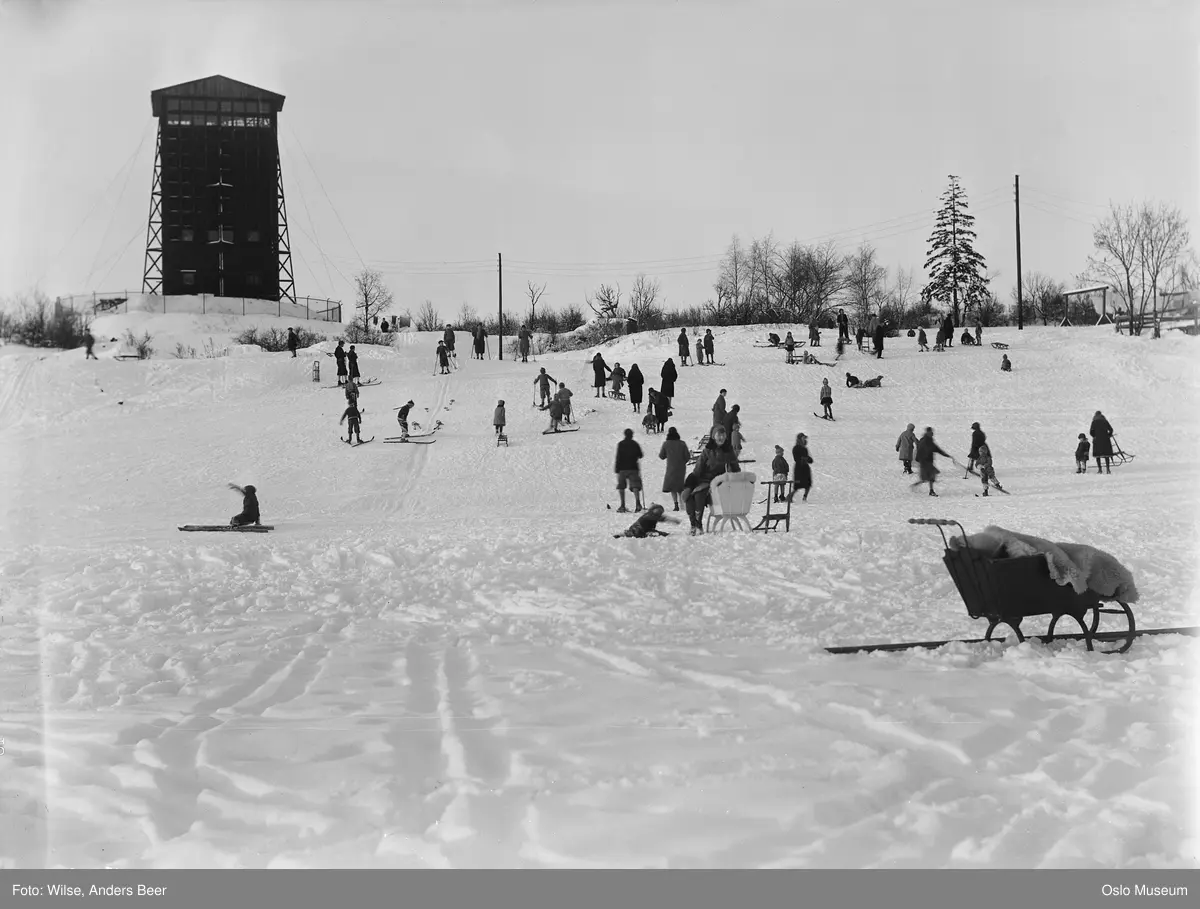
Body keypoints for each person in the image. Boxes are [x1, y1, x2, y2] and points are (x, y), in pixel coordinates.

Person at [682, 425, 740, 534]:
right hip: (703, 481)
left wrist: (734, 480)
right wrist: (690, 484)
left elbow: (736, 469)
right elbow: (698, 470)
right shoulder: (707, 451)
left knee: (699, 495)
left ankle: (698, 524)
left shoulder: (728, 451)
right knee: (690, 497)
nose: (721, 437)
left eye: (723, 435)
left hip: (718, 482)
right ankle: (694, 525)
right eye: (719, 435)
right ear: (713, 436)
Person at [658, 426, 691, 511]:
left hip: (671, 467)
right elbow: (687, 456)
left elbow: (661, 456)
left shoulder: (666, 444)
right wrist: (682, 462)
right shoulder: (682, 444)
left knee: (672, 486)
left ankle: (676, 504)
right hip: (681, 468)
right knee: (680, 486)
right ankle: (682, 504)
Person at [912, 426, 950, 496]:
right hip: (925, 462)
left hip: (928, 462)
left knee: (930, 477)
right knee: (929, 477)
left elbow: (937, 449)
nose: (932, 434)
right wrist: (919, 459)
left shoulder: (929, 440)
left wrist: (946, 455)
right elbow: (920, 450)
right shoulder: (925, 441)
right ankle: (926, 489)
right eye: (931, 432)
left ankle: (930, 490)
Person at [614, 428, 645, 513]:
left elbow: (618, 457)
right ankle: (638, 504)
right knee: (635, 486)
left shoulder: (621, 444)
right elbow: (640, 455)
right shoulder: (635, 444)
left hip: (622, 468)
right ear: (632, 435)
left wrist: (617, 469)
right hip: (633, 468)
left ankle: (622, 505)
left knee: (621, 486)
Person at [614, 503, 682, 538]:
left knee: (634, 533)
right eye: (658, 511)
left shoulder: (651, 514)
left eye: (661, 512)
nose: (660, 513)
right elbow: (661, 518)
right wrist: (673, 520)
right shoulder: (650, 515)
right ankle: (621, 535)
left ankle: (622, 534)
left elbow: (660, 518)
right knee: (637, 533)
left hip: (643, 529)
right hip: (639, 529)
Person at [788, 433, 813, 503]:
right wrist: (803, 459)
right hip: (799, 468)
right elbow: (796, 458)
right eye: (803, 438)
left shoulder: (805, 448)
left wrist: (808, 459)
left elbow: (809, 458)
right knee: (797, 485)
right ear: (800, 439)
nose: (804, 439)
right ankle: (789, 497)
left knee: (808, 484)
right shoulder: (796, 448)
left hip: (805, 468)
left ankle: (804, 498)